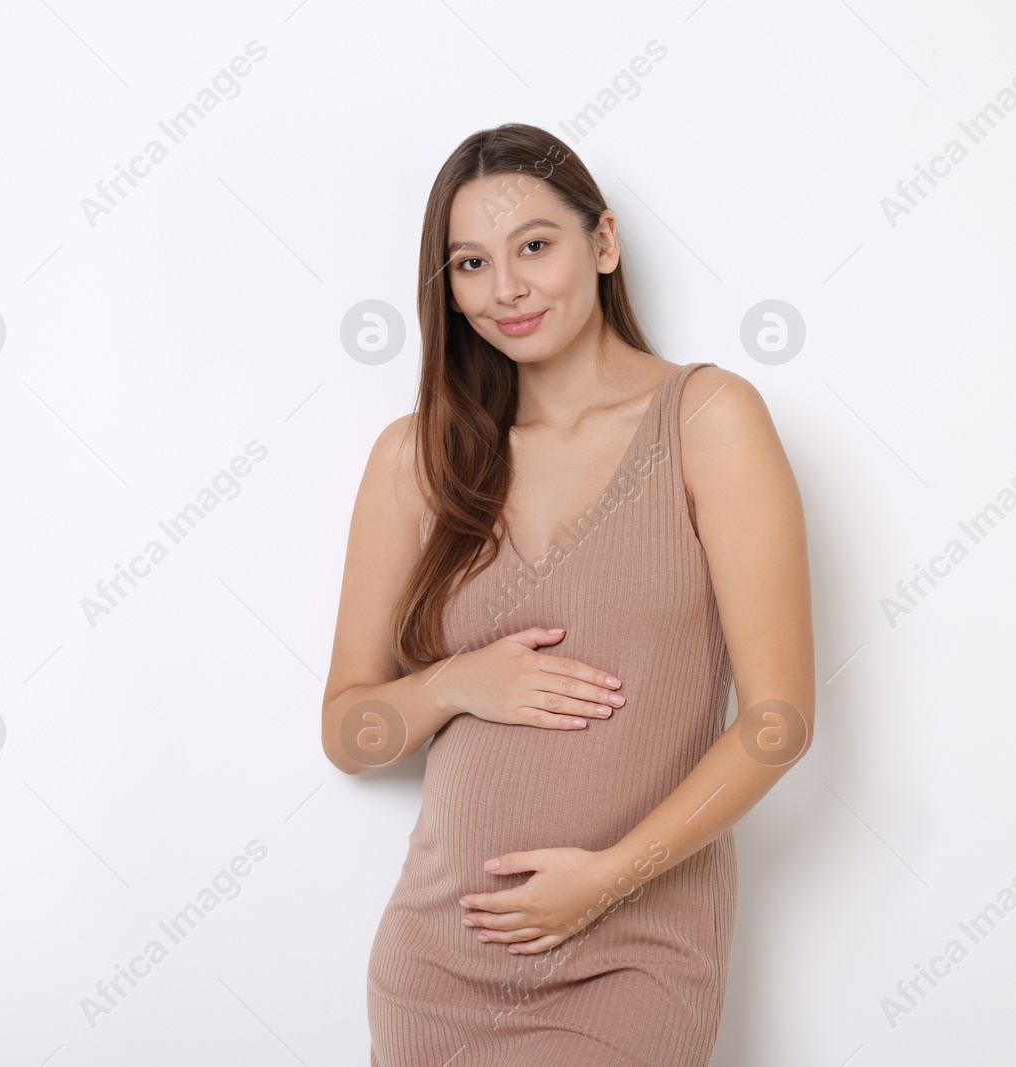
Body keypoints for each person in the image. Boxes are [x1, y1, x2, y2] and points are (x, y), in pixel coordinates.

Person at [322, 122, 814, 1066]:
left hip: (634, 953)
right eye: (470, 262)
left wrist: (603, 881)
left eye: (533, 246)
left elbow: (779, 722)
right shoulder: (414, 458)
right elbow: (350, 732)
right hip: (434, 965)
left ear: (603, 243)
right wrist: (455, 682)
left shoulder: (710, 420)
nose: (504, 287)